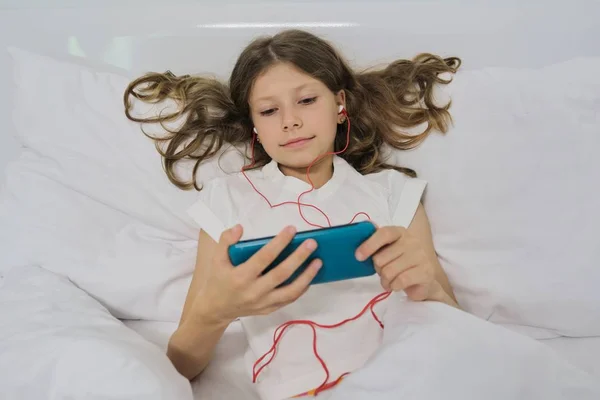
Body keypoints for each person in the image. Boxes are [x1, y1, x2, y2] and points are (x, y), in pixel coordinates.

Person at [124, 29, 461, 400]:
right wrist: (216, 312)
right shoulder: (228, 201)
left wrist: (427, 286)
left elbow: (461, 332)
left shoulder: (393, 193)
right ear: (254, 125)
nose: (290, 121)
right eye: (269, 110)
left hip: (412, 381)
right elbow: (180, 366)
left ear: (340, 104)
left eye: (306, 100)